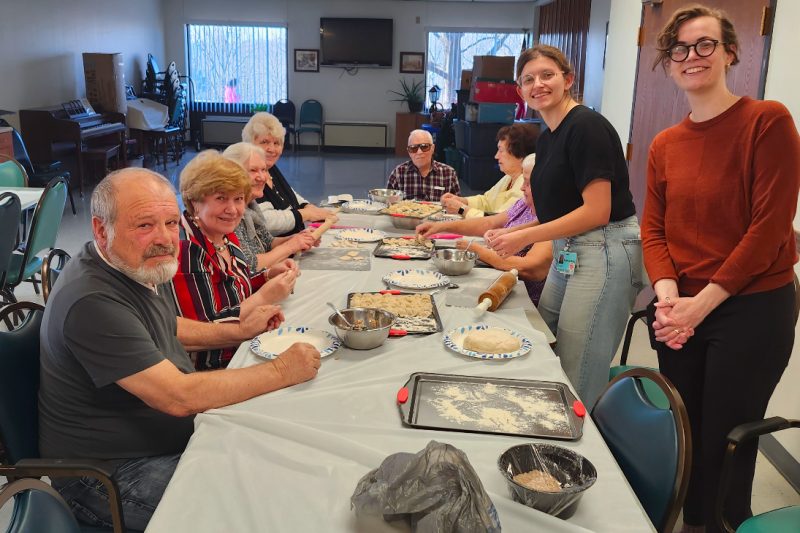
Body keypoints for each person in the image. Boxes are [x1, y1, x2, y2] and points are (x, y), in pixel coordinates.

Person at [38, 168, 320, 530]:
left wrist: (237, 332)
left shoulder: (136, 264)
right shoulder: (92, 300)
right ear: (99, 229)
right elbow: (178, 397)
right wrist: (282, 370)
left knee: (283, 451)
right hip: (107, 474)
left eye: (171, 222)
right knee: (262, 507)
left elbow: (166, 327)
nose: (164, 239)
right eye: (144, 225)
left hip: (161, 438)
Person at [642, 6, 800, 532]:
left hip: (751, 308)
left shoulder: (767, 121)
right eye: (680, 49)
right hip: (679, 307)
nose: (692, 57)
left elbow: (769, 229)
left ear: (731, 52)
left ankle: (723, 524)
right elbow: (654, 230)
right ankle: (687, 523)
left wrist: (698, 305)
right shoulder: (665, 144)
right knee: (683, 431)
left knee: (726, 439)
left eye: (705, 44)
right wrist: (667, 298)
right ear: (668, 63)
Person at [485, 44, 642, 409]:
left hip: (604, 249)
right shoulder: (550, 135)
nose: (538, 84)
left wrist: (524, 234)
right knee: (543, 341)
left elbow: (597, 211)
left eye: (547, 75)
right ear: (520, 91)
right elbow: (564, 211)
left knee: (576, 369)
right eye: (528, 80)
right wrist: (512, 231)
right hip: (569, 249)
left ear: (567, 79)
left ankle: (573, 456)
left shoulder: (586, 127)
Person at [169, 150, 299, 370]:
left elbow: (233, 286)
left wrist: (266, 276)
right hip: (218, 367)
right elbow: (203, 330)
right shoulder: (186, 249)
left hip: (243, 347)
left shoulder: (224, 233)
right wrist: (266, 296)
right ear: (194, 201)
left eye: (238, 199)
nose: (232, 209)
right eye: (221, 198)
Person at [417, 154, 551, 305]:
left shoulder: (553, 218)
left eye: (527, 182)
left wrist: (477, 251)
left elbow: (531, 268)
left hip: (518, 300)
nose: (521, 187)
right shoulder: (524, 203)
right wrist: (440, 227)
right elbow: (489, 223)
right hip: (499, 282)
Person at [222, 142, 321, 274]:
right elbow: (249, 265)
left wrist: (297, 238)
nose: (262, 177)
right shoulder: (230, 214)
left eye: (264, 170)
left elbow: (268, 242)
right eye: (253, 170)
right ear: (232, 174)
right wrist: (291, 246)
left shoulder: (251, 206)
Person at [241, 112, 332, 236]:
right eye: (264, 142)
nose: (271, 149)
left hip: (292, 241)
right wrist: (306, 214)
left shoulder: (270, 168)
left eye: (277, 143)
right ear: (249, 144)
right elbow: (265, 221)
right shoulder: (245, 174)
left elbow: (289, 192)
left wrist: (307, 206)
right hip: (272, 249)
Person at [440, 123, 538, 217]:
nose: (496, 156)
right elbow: (486, 201)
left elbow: (496, 221)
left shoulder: (524, 188)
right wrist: (461, 201)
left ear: (520, 154)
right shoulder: (509, 177)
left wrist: (460, 209)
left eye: (501, 150)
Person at [387, 129, 459, 202]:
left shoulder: (449, 173)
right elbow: (386, 205)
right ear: (409, 152)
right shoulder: (398, 173)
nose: (419, 152)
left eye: (424, 147)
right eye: (413, 148)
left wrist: (462, 210)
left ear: (432, 148)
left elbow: (459, 208)